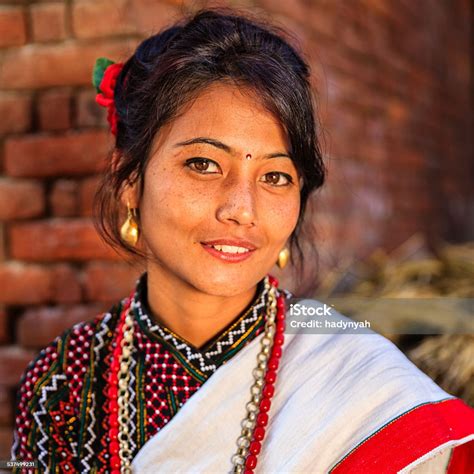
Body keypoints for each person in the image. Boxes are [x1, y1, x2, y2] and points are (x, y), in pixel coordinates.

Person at [12, 8, 474, 474]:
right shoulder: (65, 381)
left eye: (275, 176)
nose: (242, 209)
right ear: (130, 179)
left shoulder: (360, 386)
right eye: (203, 164)